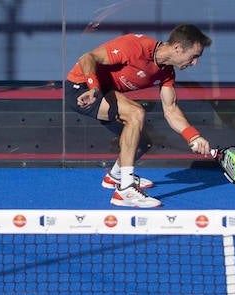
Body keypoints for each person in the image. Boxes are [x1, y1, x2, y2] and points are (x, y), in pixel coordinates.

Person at [65, 25, 215, 208]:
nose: (195, 63)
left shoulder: (167, 73)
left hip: (105, 92)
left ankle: (115, 176)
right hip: (82, 88)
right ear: (177, 48)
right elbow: (87, 58)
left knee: (143, 143)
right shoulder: (136, 46)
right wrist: (94, 88)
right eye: (194, 56)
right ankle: (125, 190)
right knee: (135, 113)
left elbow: (171, 110)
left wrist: (193, 136)